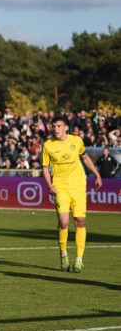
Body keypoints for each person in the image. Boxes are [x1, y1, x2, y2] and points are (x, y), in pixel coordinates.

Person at [41, 115, 102, 273]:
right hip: (60, 187)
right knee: (63, 222)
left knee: (80, 221)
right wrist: (49, 185)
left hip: (78, 185)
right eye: (53, 126)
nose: (56, 129)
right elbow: (45, 167)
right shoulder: (48, 146)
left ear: (66, 127)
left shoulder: (77, 141)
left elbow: (86, 158)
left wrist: (97, 174)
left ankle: (79, 260)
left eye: (59, 126)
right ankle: (63, 254)